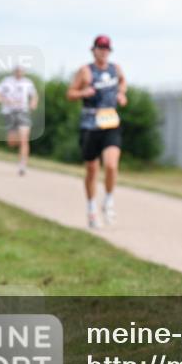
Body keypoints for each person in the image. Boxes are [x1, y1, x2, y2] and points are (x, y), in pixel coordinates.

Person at [66, 35, 127, 228]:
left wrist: (121, 93)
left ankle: (108, 200)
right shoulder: (85, 71)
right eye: (100, 48)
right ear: (94, 50)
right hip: (90, 124)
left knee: (111, 165)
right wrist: (83, 93)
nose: (103, 51)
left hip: (110, 122)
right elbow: (70, 93)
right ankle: (91, 208)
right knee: (92, 170)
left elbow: (123, 82)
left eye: (107, 48)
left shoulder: (115, 69)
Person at [0, 66, 38, 175]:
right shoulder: (6, 81)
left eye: (21, 71)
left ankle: (22, 165)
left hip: (23, 112)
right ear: (14, 72)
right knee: (12, 142)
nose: (19, 73)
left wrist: (33, 103)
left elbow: (34, 96)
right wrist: (3, 100)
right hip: (9, 113)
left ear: (24, 72)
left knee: (24, 139)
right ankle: (19, 143)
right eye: (17, 71)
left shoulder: (28, 82)